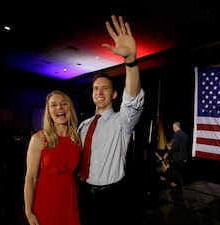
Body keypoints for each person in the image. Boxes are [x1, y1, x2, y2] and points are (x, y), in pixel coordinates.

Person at [77, 15, 145, 225]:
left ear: (114, 94)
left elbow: (132, 98)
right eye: (96, 89)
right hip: (82, 194)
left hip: (112, 197)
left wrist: (131, 60)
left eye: (105, 88)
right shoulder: (83, 125)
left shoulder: (122, 121)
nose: (99, 92)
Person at [24, 90, 81, 225]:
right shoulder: (39, 138)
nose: (59, 108)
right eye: (53, 105)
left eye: (63, 104)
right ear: (49, 112)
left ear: (70, 108)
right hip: (46, 200)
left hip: (70, 200)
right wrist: (28, 212)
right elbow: (30, 178)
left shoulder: (77, 139)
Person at [167, 122, 190, 188]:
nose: (173, 129)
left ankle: (172, 183)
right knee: (179, 171)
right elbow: (185, 147)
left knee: (173, 170)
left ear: (176, 127)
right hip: (184, 157)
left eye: (173, 127)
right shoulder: (185, 135)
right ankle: (180, 185)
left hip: (177, 157)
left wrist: (168, 152)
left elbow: (176, 146)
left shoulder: (176, 134)